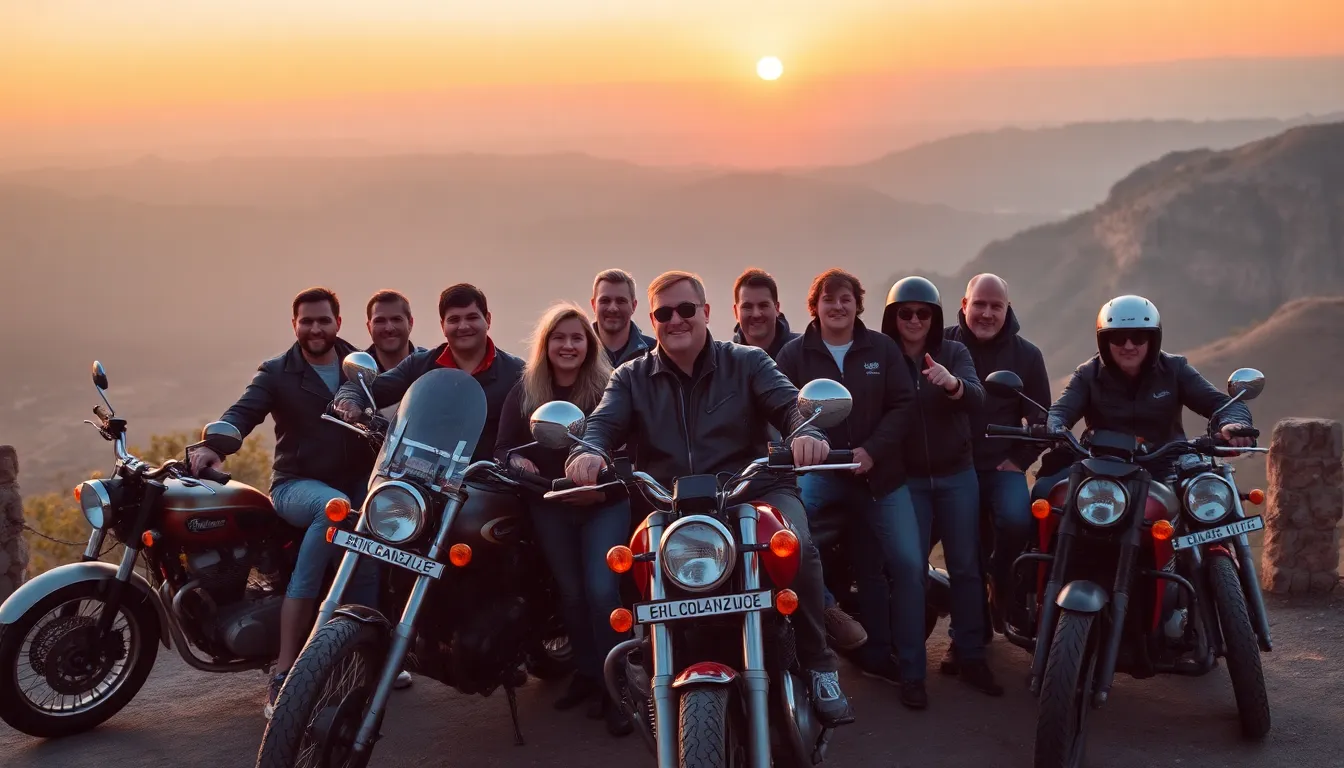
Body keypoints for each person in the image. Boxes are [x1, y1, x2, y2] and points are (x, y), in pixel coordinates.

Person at [564, 270, 855, 727]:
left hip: (751, 492)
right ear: (653, 319)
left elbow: (786, 404)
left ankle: (819, 664)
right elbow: (603, 421)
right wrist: (588, 451)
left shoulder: (747, 362)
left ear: (706, 312)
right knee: (632, 561)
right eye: (664, 313)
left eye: (685, 310)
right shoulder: (630, 377)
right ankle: (651, 662)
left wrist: (806, 431)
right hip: (671, 506)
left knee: (796, 543)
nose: (676, 320)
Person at [188, 287, 389, 718]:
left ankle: (369, 659)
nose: (315, 329)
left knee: (368, 551)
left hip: (359, 482)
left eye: (324, 320)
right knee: (333, 507)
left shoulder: (359, 366)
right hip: (298, 485)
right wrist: (213, 445)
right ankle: (285, 670)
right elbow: (244, 411)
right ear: (294, 324)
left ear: (338, 322)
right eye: (307, 321)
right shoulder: (278, 372)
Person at [775, 269, 919, 696]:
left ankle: (911, 672)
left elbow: (904, 405)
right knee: (788, 546)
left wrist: (873, 449)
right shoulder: (793, 355)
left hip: (880, 476)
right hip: (821, 476)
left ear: (859, 304)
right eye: (828, 299)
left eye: (846, 299)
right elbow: (777, 411)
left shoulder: (883, 348)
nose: (837, 306)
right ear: (813, 306)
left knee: (908, 565)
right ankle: (819, 636)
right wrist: (804, 447)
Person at [494, 302, 633, 737]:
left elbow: (633, 451)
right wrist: (516, 459)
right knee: (571, 596)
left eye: (576, 338)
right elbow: (501, 448)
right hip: (550, 505)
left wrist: (601, 482)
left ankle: (620, 687)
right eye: (559, 337)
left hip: (603, 505)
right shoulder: (527, 389)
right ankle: (589, 674)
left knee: (600, 590)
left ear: (589, 345)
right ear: (545, 344)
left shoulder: (608, 388)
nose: (568, 345)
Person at [881, 276, 1003, 705]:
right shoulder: (883, 356)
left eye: (923, 313)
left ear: (935, 317)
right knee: (910, 574)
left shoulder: (954, 351)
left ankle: (970, 655)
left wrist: (951, 384)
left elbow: (977, 397)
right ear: (892, 317)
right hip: (906, 480)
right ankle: (911, 671)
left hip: (956, 474)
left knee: (967, 567)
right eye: (905, 312)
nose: (914, 320)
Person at [1038, 295, 1255, 494]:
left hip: (1168, 467)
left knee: (1213, 498)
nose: (1129, 345)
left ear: (1153, 339)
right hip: (1102, 466)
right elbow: (1062, 409)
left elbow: (1220, 403)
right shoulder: (1088, 374)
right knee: (1046, 491)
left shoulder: (1174, 368)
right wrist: (1054, 426)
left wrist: (1232, 423)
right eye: (1118, 337)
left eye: (1139, 336)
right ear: (1104, 341)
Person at [943, 274, 1050, 637]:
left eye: (996, 306)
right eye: (979, 304)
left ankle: (1002, 582)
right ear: (964, 305)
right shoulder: (942, 345)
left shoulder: (1027, 355)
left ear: (1008, 310)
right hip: (950, 468)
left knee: (1019, 520)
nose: (987, 313)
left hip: (1001, 466)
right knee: (960, 543)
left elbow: (1042, 417)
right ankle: (969, 629)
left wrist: (1019, 460)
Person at [333, 283, 524, 463]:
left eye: (472, 317)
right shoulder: (420, 365)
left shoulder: (517, 372)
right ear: (443, 326)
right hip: (424, 480)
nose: (463, 326)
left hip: (490, 484)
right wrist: (350, 401)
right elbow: (367, 387)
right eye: (454, 319)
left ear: (488, 320)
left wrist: (517, 459)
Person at [591, 268, 656, 367]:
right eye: (605, 300)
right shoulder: (580, 352)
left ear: (634, 306)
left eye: (621, 301)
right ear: (593, 305)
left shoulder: (655, 353)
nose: (613, 308)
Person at [731, 267, 800, 360]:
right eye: (747, 306)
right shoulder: (726, 361)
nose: (756, 314)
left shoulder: (802, 353)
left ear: (777, 308)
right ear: (736, 312)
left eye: (763, 305)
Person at [365, 289, 421, 374]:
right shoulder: (355, 371)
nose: (389, 328)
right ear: (369, 327)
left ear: (410, 323)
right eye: (380, 321)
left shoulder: (429, 367)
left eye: (396, 319)